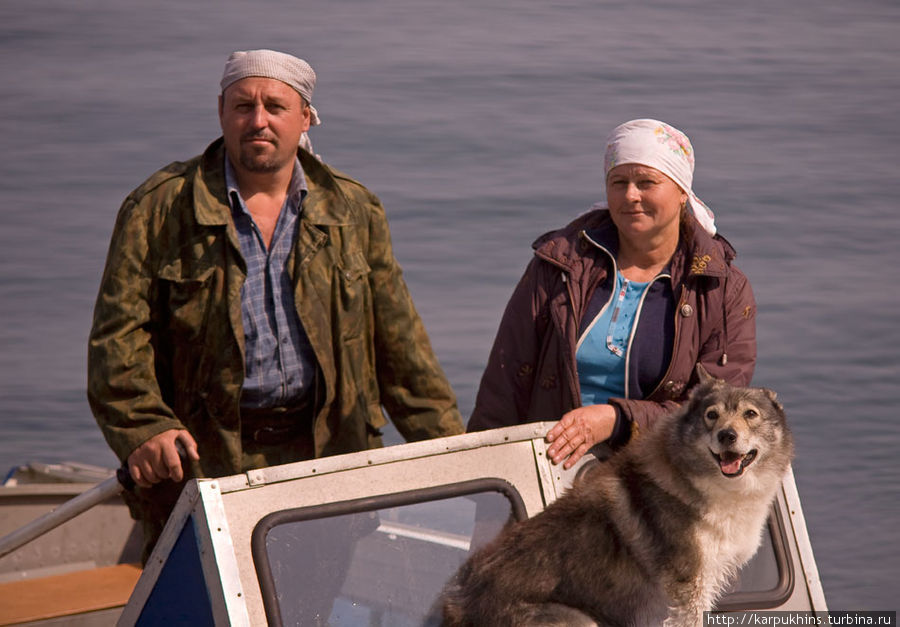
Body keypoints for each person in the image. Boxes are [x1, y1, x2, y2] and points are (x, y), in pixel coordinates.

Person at [88, 49, 463, 559]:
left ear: (305, 117)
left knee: (311, 601)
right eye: (243, 106)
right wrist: (143, 428)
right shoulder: (158, 209)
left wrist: (455, 455)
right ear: (221, 111)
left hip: (326, 459)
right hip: (206, 462)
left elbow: (401, 348)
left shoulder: (353, 210)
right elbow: (117, 339)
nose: (257, 120)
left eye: (275, 107)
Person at [467, 119, 756, 469]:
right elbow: (506, 380)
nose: (631, 195)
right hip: (549, 468)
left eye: (647, 182)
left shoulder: (721, 289)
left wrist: (616, 420)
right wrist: (482, 478)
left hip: (657, 482)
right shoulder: (558, 265)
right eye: (619, 182)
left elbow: (717, 409)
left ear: (682, 192)